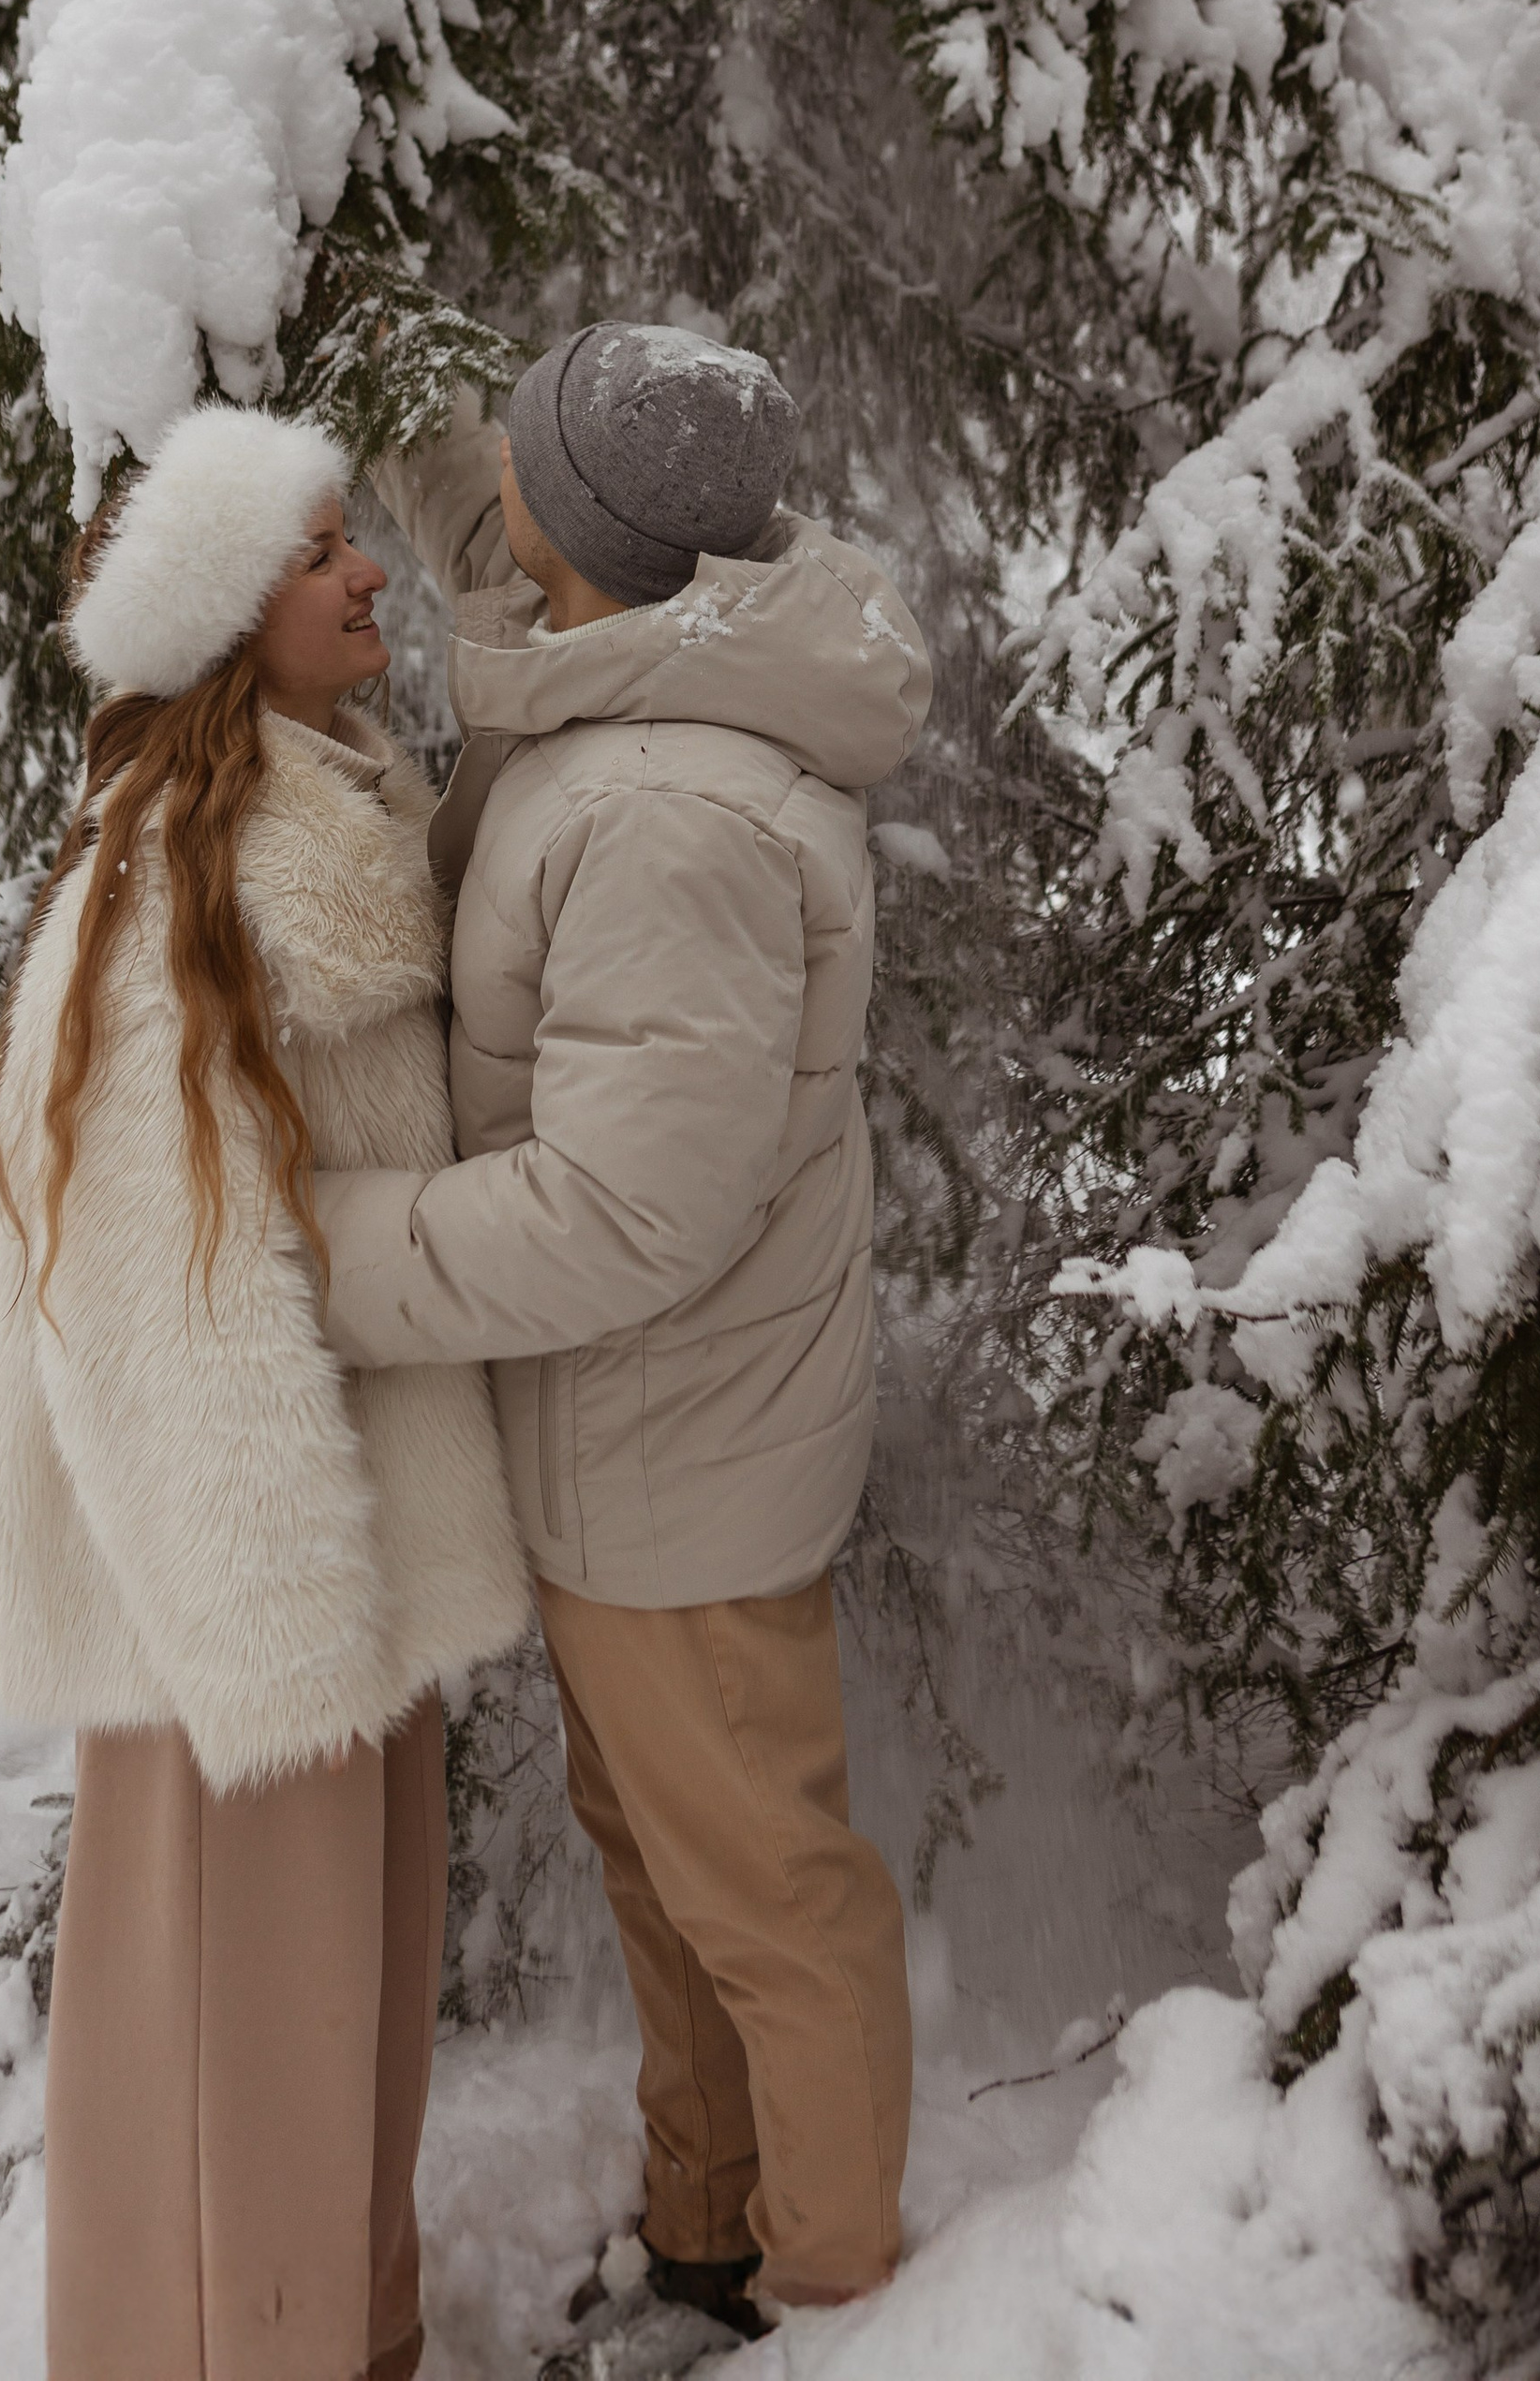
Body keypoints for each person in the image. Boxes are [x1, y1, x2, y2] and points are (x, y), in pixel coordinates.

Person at [311, 326, 932, 2371]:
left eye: (522, 478)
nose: (491, 509)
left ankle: (834, 2302)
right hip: (624, 1449)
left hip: (680, 1454)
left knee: (756, 1894)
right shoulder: (626, 653)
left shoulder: (670, 813)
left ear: (583, 538)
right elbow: (487, 509)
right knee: (670, 1876)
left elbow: (622, 1215)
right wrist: (338, 324)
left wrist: (318, 1258)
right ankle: (705, 2252)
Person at [0, 404, 528, 2381]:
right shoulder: (172, 883)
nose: (365, 568)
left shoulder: (313, 831)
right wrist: (270, 1633)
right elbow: (144, 1281)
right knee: (238, 2063)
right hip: (244, 1616)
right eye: (315, 553)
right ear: (227, 621)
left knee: (327, 2057)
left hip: (336, 1584)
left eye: (349, 538)